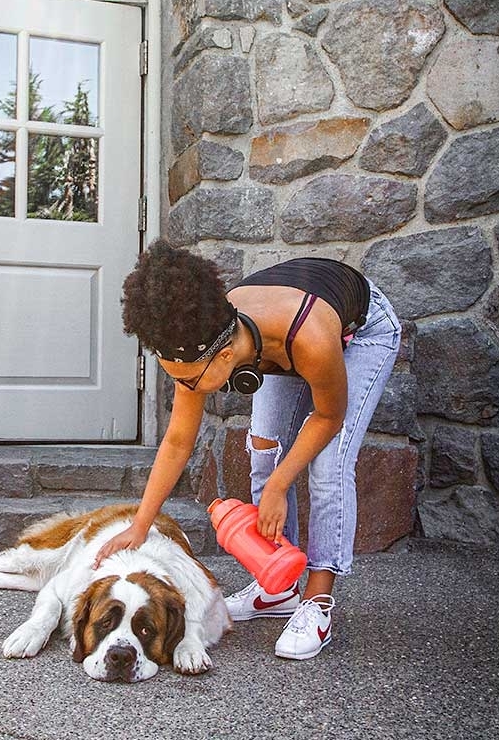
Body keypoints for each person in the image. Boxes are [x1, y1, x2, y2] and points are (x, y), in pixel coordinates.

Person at [93, 239, 401, 660]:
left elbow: (327, 417)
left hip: (356, 331)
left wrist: (278, 487)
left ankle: (318, 600)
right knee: (263, 449)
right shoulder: (199, 334)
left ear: (223, 356)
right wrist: (140, 524)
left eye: (189, 381)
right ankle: (278, 587)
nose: (185, 388)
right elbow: (179, 440)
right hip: (275, 343)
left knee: (329, 465)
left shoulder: (307, 336)